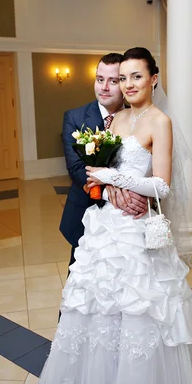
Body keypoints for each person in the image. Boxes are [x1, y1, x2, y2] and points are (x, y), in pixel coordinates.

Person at [23, 47, 192, 384]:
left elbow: (163, 184)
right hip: (105, 227)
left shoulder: (161, 121)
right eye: (124, 78)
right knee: (96, 312)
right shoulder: (115, 119)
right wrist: (113, 187)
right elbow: (89, 169)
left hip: (137, 235)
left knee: (140, 314)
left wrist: (115, 178)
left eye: (137, 76)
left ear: (154, 78)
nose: (128, 84)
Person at [59, 52, 148, 267]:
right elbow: (77, 169)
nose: (104, 87)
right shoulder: (75, 117)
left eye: (113, 81)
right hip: (85, 215)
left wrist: (147, 199)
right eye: (100, 80)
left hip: (129, 222)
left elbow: (147, 166)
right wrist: (111, 190)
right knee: (83, 284)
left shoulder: (140, 120)